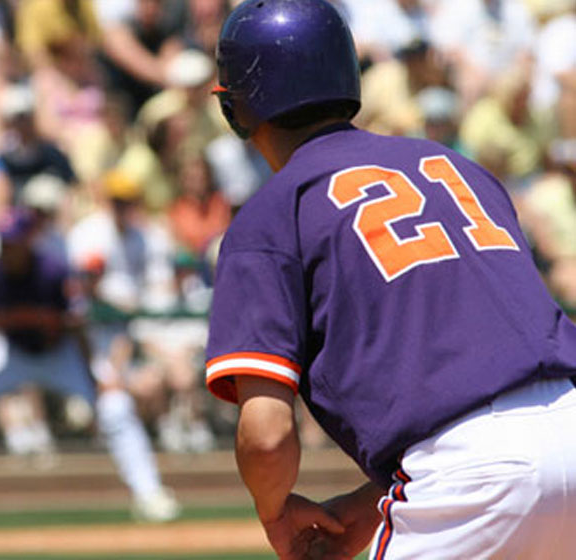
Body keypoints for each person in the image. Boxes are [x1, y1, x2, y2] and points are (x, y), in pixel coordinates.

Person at [206, 1, 576, 559]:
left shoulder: (271, 215)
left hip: (470, 481)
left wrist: (275, 511)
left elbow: (267, 435)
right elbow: (497, 388)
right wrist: (367, 505)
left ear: (236, 108)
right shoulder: (457, 170)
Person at [0, 209, 180, 526]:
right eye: (4, 242)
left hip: (61, 354)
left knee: (116, 406)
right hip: (9, 352)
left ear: (28, 240)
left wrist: (95, 375)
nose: (7, 249)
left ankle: (150, 494)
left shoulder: (53, 272)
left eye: (13, 242)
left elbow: (75, 328)